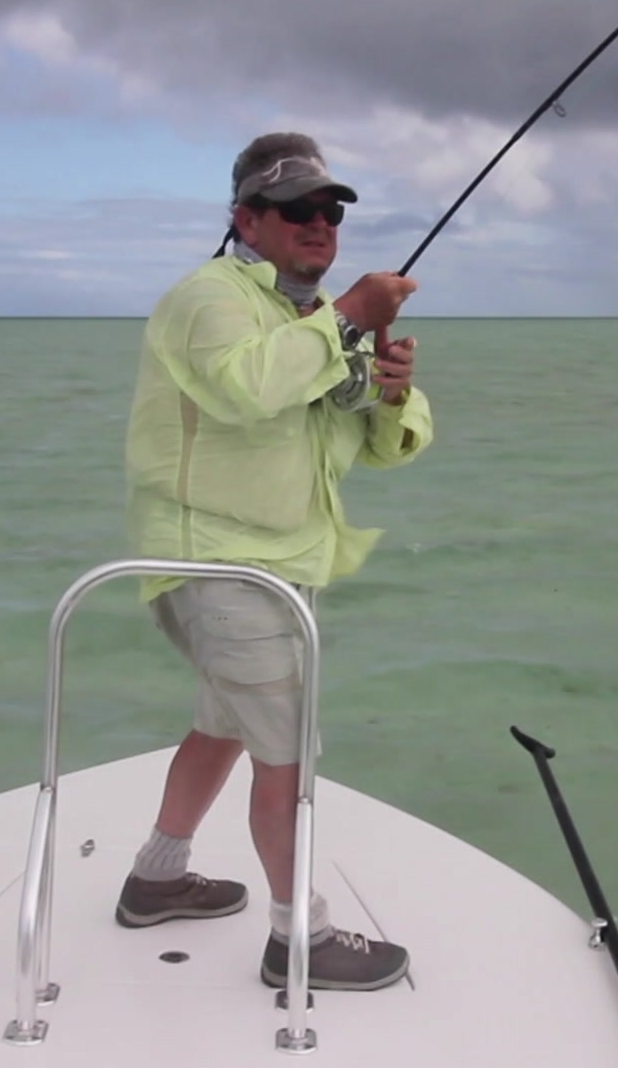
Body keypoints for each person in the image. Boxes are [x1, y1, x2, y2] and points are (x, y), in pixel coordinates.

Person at [114, 132, 434, 993]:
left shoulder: (318, 320)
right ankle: (299, 937)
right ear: (245, 219)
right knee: (286, 752)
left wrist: (392, 392)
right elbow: (247, 387)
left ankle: (156, 878)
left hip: (282, 565)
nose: (318, 223)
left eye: (329, 210)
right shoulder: (206, 299)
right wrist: (351, 315)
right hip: (218, 562)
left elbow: (387, 447)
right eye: (295, 209)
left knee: (223, 725)